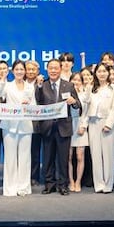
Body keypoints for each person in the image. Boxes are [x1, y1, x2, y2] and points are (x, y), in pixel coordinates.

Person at [35, 58, 81, 196]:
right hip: (47, 127)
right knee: (48, 159)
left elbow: (78, 105)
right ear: (47, 69)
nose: (53, 70)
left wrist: (74, 101)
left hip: (63, 127)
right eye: (51, 68)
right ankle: (49, 185)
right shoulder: (42, 85)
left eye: (56, 68)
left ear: (60, 69)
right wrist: (39, 87)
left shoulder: (69, 85)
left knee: (63, 159)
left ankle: (63, 185)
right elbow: (38, 102)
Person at [0, 60, 36, 197]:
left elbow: (34, 106)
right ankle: (10, 188)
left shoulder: (30, 87)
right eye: (17, 69)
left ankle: (23, 187)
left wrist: (28, 104)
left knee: (25, 158)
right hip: (9, 125)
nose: (19, 72)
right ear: (12, 71)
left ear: (25, 71)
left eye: (21, 69)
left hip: (25, 125)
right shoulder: (7, 85)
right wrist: (2, 79)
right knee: (10, 158)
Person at [79, 63, 114, 194]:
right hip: (93, 123)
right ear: (95, 73)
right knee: (95, 155)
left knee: (108, 155)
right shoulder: (92, 87)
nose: (102, 74)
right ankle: (99, 184)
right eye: (99, 71)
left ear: (108, 73)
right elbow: (85, 102)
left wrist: (109, 124)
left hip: (107, 123)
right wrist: (88, 87)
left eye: (104, 71)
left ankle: (108, 184)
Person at [68, 71, 88, 193]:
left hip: (81, 126)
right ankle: (71, 181)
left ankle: (78, 181)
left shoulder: (85, 95)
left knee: (80, 156)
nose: (76, 82)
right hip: (68, 126)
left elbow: (87, 112)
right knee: (68, 157)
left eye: (78, 80)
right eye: (73, 80)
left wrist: (83, 126)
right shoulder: (66, 94)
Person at [25, 60, 42, 186]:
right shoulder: (19, 83)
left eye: (33, 69)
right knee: (23, 150)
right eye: (28, 69)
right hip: (22, 120)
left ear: (38, 71)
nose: (31, 71)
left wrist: (40, 85)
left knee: (35, 151)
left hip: (37, 121)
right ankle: (23, 175)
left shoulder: (42, 84)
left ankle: (34, 176)